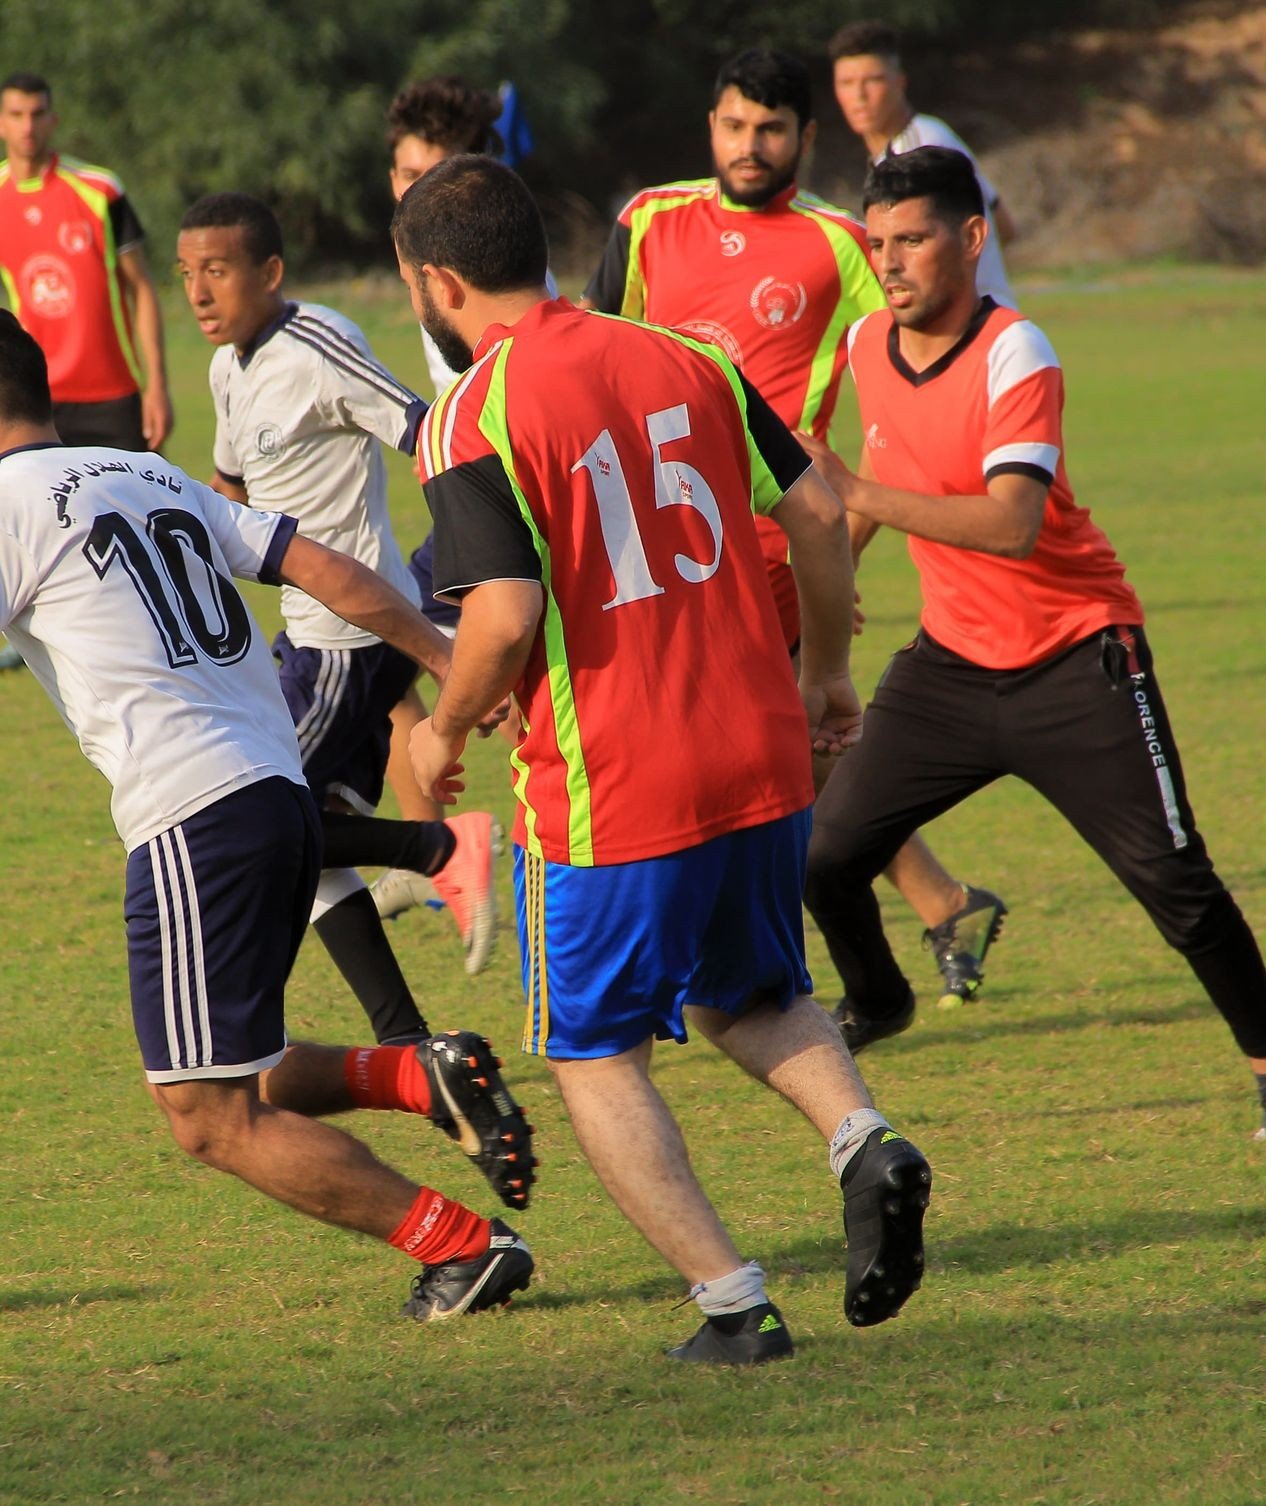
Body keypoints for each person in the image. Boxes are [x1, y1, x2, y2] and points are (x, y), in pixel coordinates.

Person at [0, 300, 537, 1321]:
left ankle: (463, 1245)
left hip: (193, 818)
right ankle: (420, 1075)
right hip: (278, 795)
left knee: (203, 1116)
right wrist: (441, 656)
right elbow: (319, 565)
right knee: (249, 1068)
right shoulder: (148, 473)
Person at [396, 155, 932, 1363]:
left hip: (612, 784)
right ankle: (863, 1140)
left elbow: (501, 614)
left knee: (593, 1053)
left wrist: (438, 730)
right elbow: (811, 511)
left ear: (435, 282)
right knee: (748, 990)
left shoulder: (468, 414)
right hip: (752, 754)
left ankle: (733, 1308)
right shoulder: (689, 357)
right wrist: (826, 676)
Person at [794, 148, 1266, 1140]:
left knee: (1173, 881)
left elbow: (1011, 523)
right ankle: (879, 997)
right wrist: (840, 568)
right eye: (876, 244)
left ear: (969, 238)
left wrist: (859, 499)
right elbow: (880, 462)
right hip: (951, 666)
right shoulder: (870, 344)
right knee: (823, 853)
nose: (890, 263)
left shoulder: (1016, 352)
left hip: (1076, 663)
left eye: (911, 238)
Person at [582, 47, 1010, 1010]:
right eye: (734, 125)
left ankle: (743, 965)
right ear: (711, 126)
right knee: (794, 741)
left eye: (771, 129)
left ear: (807, 138)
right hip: (660, 541)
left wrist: (843, 551)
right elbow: (596, 359)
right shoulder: (649, 221)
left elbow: (920, 360)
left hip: (775, 545)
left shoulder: (837, 244)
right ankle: (939, 906)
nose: (750, 145)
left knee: (759, 742)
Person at [175, 190, 503, 1046]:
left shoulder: (319, 344)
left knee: (259, 823)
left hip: (349, 642)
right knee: (315, 846)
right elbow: (233, 497)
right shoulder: (226, 369)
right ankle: (408, 1041)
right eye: (186, 274)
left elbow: (430, 436)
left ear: (270, 272)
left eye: (217, 270)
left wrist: (471, 583)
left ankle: (443, 851)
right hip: (310, 636)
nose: (198, 292)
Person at [366, 77, 558, 923]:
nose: (418, 193)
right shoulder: (432, 267)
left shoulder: (485, 269)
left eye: (434, 172)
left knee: (507, 679)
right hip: (468, 488)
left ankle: (467, 856)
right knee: (383, 664)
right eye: (405, 175)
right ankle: (440, 849)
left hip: (503, 491)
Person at [0, 72, 174, 673]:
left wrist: (157, 382)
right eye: (16, 115)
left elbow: (142, 290)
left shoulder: (99, 190)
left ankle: (162, 631)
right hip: (30, 396)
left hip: (111, 388)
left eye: (38, 114)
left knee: (134, 516)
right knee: (31, 518)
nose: (28, 126)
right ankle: (36, 641)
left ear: (53, 121)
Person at [828, 21, 1018, 308]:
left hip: (968, 327)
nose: (860, 95)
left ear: (899, 82)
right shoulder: (931, 133)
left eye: (873, 80)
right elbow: (1004, 224)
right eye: (847, 83)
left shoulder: (919, 150)